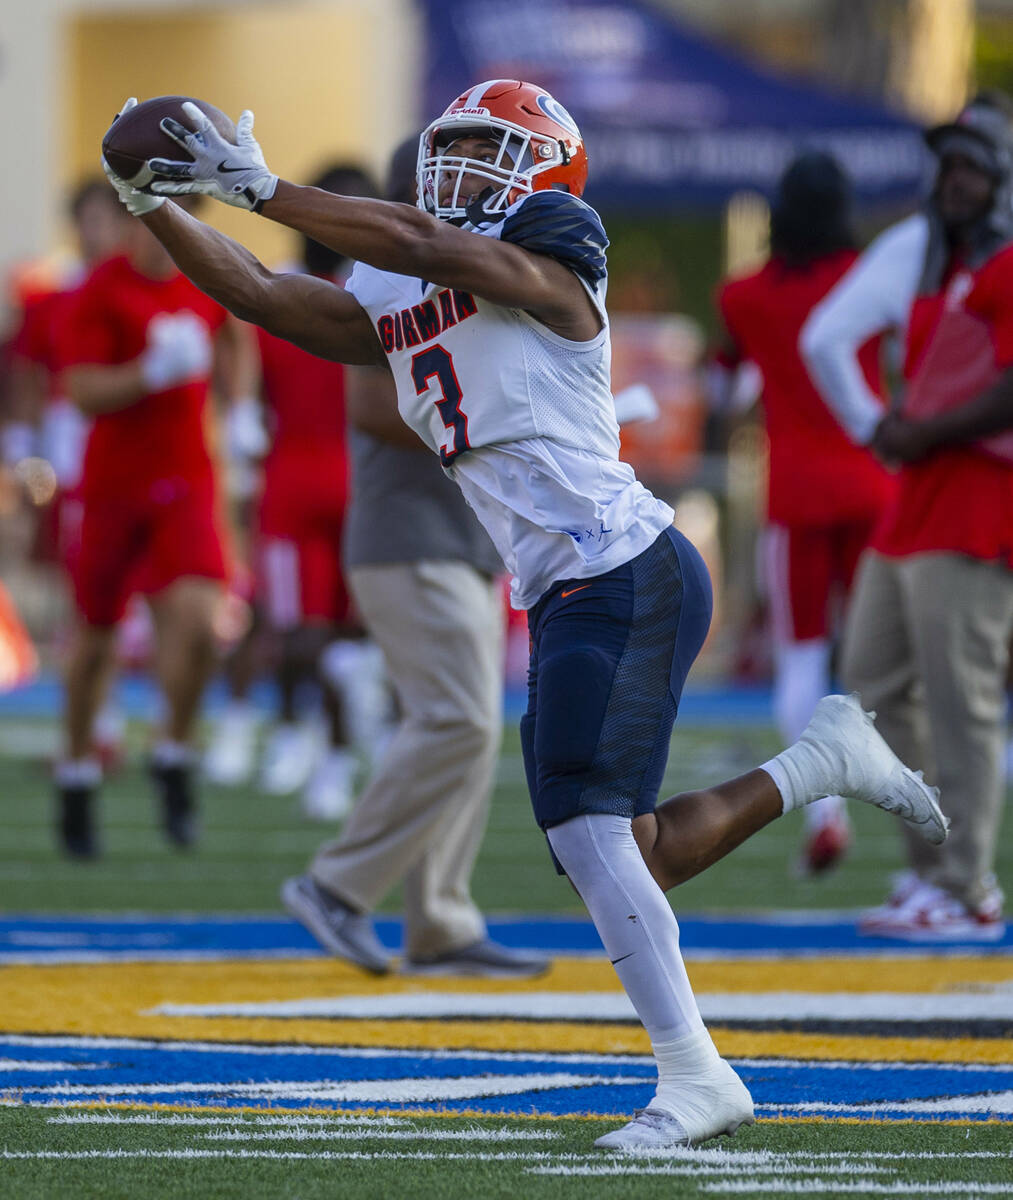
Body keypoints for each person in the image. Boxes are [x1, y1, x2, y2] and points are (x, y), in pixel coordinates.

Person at [102, 81, 947, 1151]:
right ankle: (818, 764)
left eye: (485, 149)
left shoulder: (550, 241)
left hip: (621, 564)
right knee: (626, 849)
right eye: (447, 145)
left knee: (591, 838)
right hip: (564, 584)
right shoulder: (396, 267)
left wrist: (261, 187)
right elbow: (274, 300)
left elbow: (446, 251)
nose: (456, 166)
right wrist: (156, 206)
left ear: (544, 169)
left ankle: (695, 1077)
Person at [281, 135, 544, 977]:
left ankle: (439, 920)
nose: (476, 181)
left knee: (466, 728)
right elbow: (371, 406)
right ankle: (337, 884)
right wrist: (497, 415)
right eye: (459, 166)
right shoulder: (390, 272)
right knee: (456, 721)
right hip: (405, 536)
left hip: (460, 540)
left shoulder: (468, 266)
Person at [801, 94, 1013, 940]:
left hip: (973, 498)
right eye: (947, 165)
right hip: (915, 498)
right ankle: (931, 869)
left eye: (971, 166)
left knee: (961, 700)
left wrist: (907, 430)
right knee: (875, 681)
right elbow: (831, 338)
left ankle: (966, 889)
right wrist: (884, 429)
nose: (953, 180)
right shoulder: (932, 252)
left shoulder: (995, 258)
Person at [54, 195, 255, 857]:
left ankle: (172, 752)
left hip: (187, 476)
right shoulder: (101, 289)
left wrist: (242, 403)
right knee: (96, 637)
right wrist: (148, 374)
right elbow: (81, 390)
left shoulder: (205, 272)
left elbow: (238, 325)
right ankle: (78, 773)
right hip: (114, 482)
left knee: (201, 626)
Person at [712, 152, 894, 875]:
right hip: (874, 480)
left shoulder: (743, 296)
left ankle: (824, 813)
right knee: (894, 652)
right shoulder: (871, 273)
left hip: (793, 491)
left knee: (802, 656)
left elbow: (727, 392)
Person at [205, 163, 385, 819]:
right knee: (338, 635)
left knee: (312, 632)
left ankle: (309, 744)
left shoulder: (291, 296)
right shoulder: (374, 298)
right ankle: (323, 751)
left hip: (306, 480)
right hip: (345, 478)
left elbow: (245, 385)